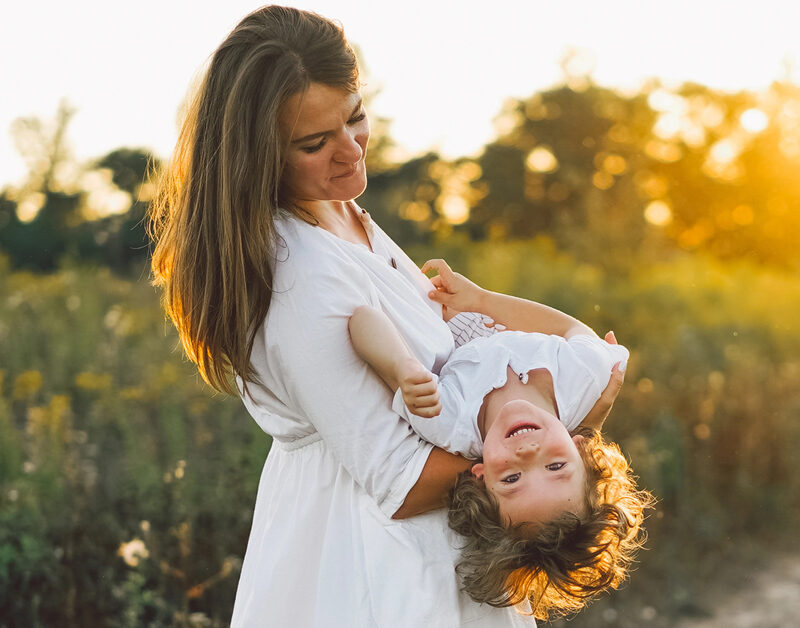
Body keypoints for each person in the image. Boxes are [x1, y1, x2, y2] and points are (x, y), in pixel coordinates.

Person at [147, 6, 624, 626]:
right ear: (255, 157)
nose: (350, 152)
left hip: (434, 541)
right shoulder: (294, 271)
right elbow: (400, 480)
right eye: (314, 144)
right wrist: (565, 428)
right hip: (367, 555)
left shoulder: (335, 207)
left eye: (354, 118)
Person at [349, 259, 652, 620]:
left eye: (511, 479)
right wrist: (482, 300)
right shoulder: (584, 381)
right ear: (581, 448)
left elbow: (361, 318)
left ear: (480, 476)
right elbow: (573, 329)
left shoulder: (448, 420)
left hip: (424, 310)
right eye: (556, 466)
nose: (528, 453)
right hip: (468, 302)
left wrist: (401, 367)